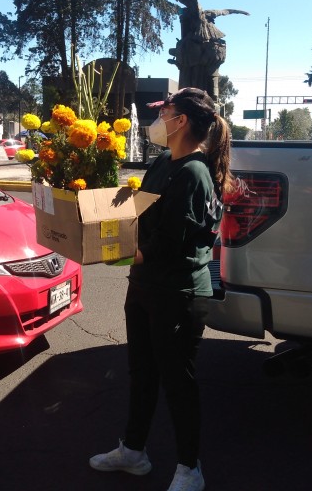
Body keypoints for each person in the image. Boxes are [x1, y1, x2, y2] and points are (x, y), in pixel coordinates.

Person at [90, 87, 233, 491]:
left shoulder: (193, 172)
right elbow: (141, 214)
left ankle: (190, 469)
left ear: (180, 120)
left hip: (179, 293)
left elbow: (169, 244)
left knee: (178, 381)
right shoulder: (164, 163)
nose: (156, 119)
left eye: (163, 112)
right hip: (146, 288)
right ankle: (133, 451)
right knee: (141, 372)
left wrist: (117, 254)